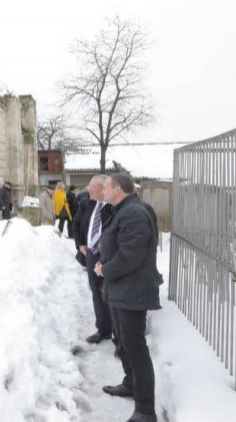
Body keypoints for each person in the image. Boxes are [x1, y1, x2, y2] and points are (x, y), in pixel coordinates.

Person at [95, 173, 160, 422]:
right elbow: (116, 247)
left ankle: (145, 410)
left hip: (132, 291)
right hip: (121, 289)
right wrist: (104, 260)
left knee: (135, 348)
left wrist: (104, 269)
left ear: (119, 190)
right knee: (123, 342)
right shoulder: (121, 211)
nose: (103, 192)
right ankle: (130, 384)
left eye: (107, 188)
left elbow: (131, 255)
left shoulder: (133, 213)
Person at [74, 175, 113, 344]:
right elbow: (76, 224)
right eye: (89, 186)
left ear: (103, 190)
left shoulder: (113, 207)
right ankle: (103, 330)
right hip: (91, 254)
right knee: (96, 292)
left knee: (111, 293)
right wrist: (80, 244)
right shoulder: (86, 203)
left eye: (92, 187)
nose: (88, 190)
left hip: (110, 257)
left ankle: (117, 332)